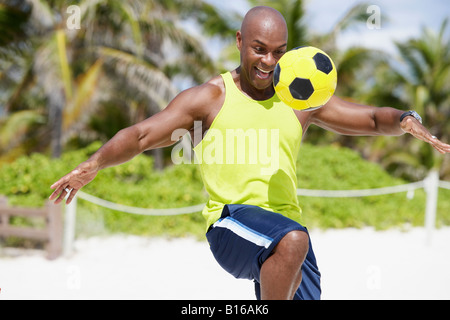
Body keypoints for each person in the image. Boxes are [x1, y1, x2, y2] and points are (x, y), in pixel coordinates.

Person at [49, 6, 450, 300]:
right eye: (259, 49)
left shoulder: (298, 94)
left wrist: (407, 118)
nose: (268, 62)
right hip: (230, 223)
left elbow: (372, 118)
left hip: (289, 233)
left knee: (294, 243)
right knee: (292, 240)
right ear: (240, 41)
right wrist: (93, 163)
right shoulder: (210, 97)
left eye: (278, 51)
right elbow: (140, 135)